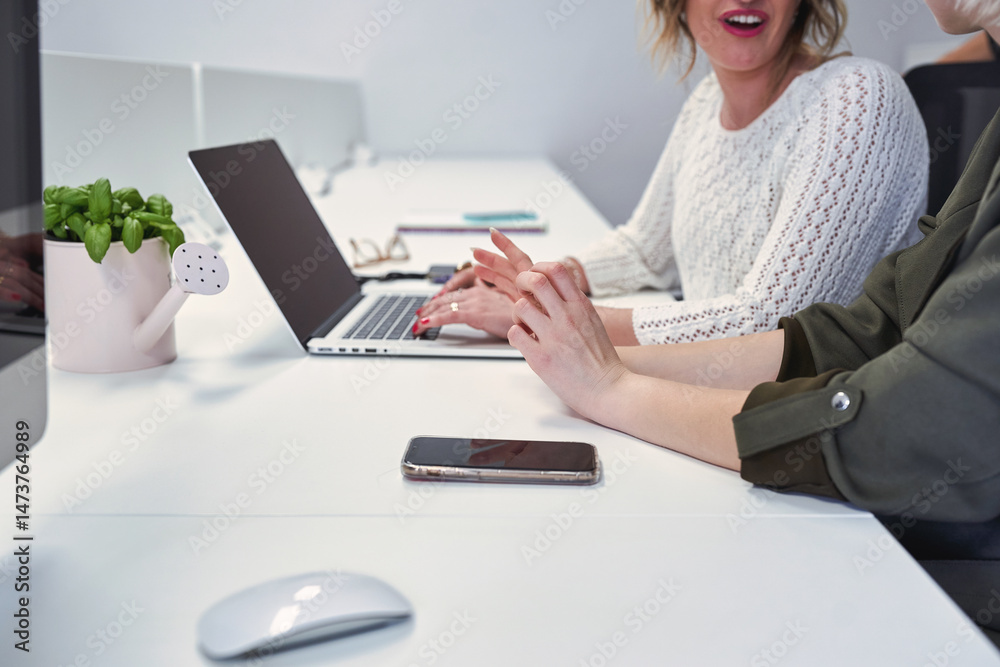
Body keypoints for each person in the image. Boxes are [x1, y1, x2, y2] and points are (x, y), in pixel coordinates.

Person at [492, 0, 1000, 645]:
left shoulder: (854, 97)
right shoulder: (707, 102)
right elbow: (864, 327)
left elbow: (849, 381)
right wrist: (559, 314)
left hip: (876, 524)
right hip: (789, 462)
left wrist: (608, 377)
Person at [415, 0, 929, 346]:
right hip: (704, 397)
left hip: (811, 444)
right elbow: (645, 251)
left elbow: (771, 325)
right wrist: (539, 284)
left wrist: (555, 320)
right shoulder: (707, 103)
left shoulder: (858, 98)